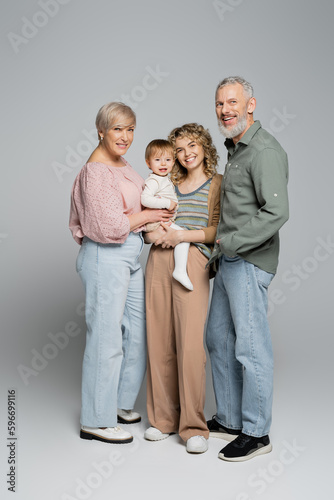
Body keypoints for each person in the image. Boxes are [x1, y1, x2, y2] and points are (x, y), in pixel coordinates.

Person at [69, 102, 172, 444]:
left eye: (130, 129)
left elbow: (142, 204)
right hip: (105, 256)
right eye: (117, 129)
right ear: (101, 131)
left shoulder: (124, 165)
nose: (125, 136)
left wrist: (158, 213)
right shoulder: (96, 171)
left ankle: (116, 403)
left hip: (128, 255)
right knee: (106, 338)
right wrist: (150, 216)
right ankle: (95, 420)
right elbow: (110, 226)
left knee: (137, 331)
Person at [206, 76, 289, 462]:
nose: (225, 109)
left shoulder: (264, 151)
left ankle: (257, 433)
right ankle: (229, 418)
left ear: (251, 105)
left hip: (249, 261)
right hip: (227, 261)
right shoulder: (235, 149)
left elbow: (277, 212)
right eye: (220, 103)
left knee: (250, 348)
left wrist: (232, 244)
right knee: (218, 339)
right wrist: (220, 253)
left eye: (233, 102)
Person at [143, 123, 222, 454]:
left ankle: (193, 426)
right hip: (158, 258)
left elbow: (217, 229)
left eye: (193, 145)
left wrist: (181, 236)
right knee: (159, 340)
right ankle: (162, 420)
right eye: (179, 148)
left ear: (204, 146)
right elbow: (147, 219)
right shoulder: (167, 181)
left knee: (190, 345)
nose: (186, 153)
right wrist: (152, 235)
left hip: (191, 261)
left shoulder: (217, 183)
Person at [141, 139, 193, 290]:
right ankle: (180, 271)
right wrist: (166, 203)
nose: (163, 164)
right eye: (157, 160)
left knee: (181, 236)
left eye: (167, 160)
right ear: (148, 163)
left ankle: (179, 270)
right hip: (157, 223)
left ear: (173, 162)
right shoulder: (154, 180)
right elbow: (145, 198)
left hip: (162, 221)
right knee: (183, 236)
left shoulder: (164, 179)